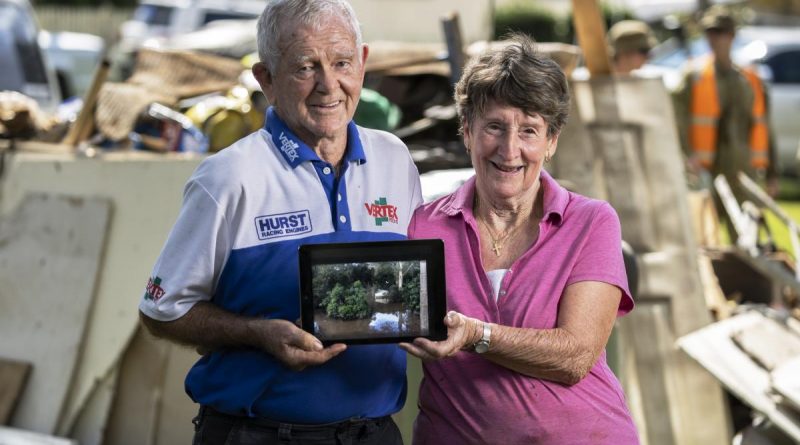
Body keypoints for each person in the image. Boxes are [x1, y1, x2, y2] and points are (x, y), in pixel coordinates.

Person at [138, 1, 422, 443]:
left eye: (342, 63)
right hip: (261, 434)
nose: (329, 86)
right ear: (266, 79)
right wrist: (257, 334)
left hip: (375, 433)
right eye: (305, 67)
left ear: (363, 64)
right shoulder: (229, 177)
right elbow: (162, 310)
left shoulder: (395, 159)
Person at [399, 34, 639, 444]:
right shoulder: (423, 227)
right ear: (467, 131)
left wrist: (478, 335)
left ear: (551, 142)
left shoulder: (591, 222)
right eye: (494, 126)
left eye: (529, 130)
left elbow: (575, 356)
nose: (510, 150)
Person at [673, 6, 778, 208]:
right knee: (705, 236)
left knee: (745, 234)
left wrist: (772, 174)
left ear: (731, 35)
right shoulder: (693, 76)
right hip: (706, 170)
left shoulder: (751, 81)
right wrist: (687, 156)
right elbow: (678, 120)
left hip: (742, 170)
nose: (714, 39)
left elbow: (765, 128)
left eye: (719, 32)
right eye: (709, 33)